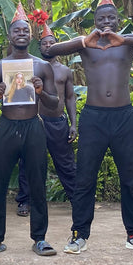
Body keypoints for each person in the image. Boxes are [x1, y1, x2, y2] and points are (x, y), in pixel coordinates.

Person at [48, 0, 133, 254]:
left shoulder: (128, 41)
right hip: (94, 118)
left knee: (130, 179)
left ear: (117, 20)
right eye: (101, 19)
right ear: (94, 22)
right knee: (85, 179)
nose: (106, 23)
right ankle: (79, 235)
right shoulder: (86, 45)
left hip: (125, 117)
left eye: (111, 18)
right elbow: (50, 50)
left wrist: (124, 40)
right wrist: (81, 42)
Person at [0, 2, 59, 256]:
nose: (21, 34)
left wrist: (42, 92)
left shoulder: (42, 67)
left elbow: (55, 104)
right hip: (7, 127)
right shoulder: (0, 67)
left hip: (33, 126)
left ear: (30, 35)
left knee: (37, 183)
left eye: (25, 31)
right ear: (10, 36)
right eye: (16, 31)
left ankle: (40, 238)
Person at [15, 23, 78, 216]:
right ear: (39, 47)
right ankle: (25, 201)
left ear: (58, 47)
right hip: (34, 121)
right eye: (44, 43)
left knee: (66, 164)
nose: (48, 46)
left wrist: (73, 123)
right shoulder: (30, 67)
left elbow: (69, 97)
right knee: (28, 162)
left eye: (52, 43)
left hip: (57, 122)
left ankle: (78, 199)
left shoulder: (65, 71)